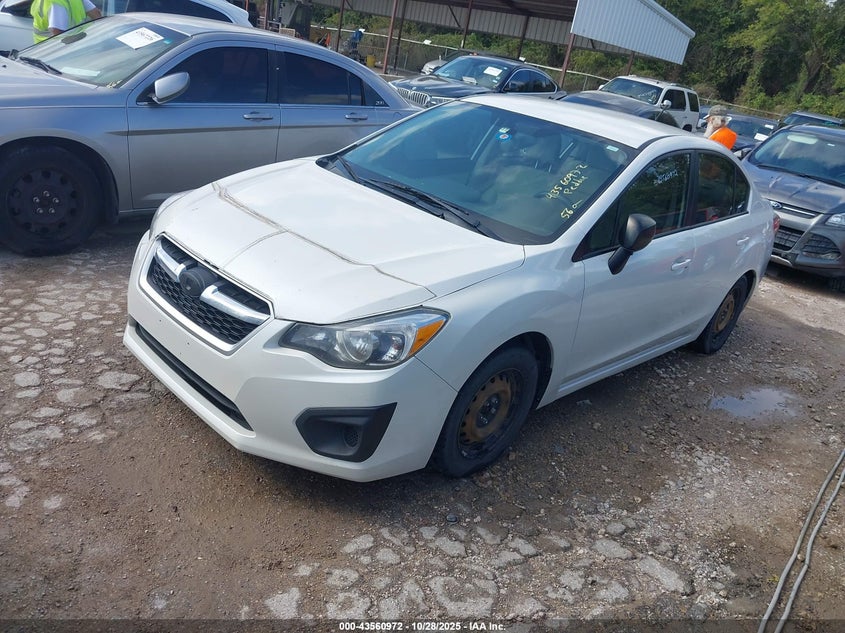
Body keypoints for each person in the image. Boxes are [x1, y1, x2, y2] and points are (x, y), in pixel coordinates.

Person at [31, 0, 101, 44]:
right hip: (51, 51)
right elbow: (57, 32)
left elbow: (96, 14)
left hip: (73, 46)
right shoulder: (55, 3)